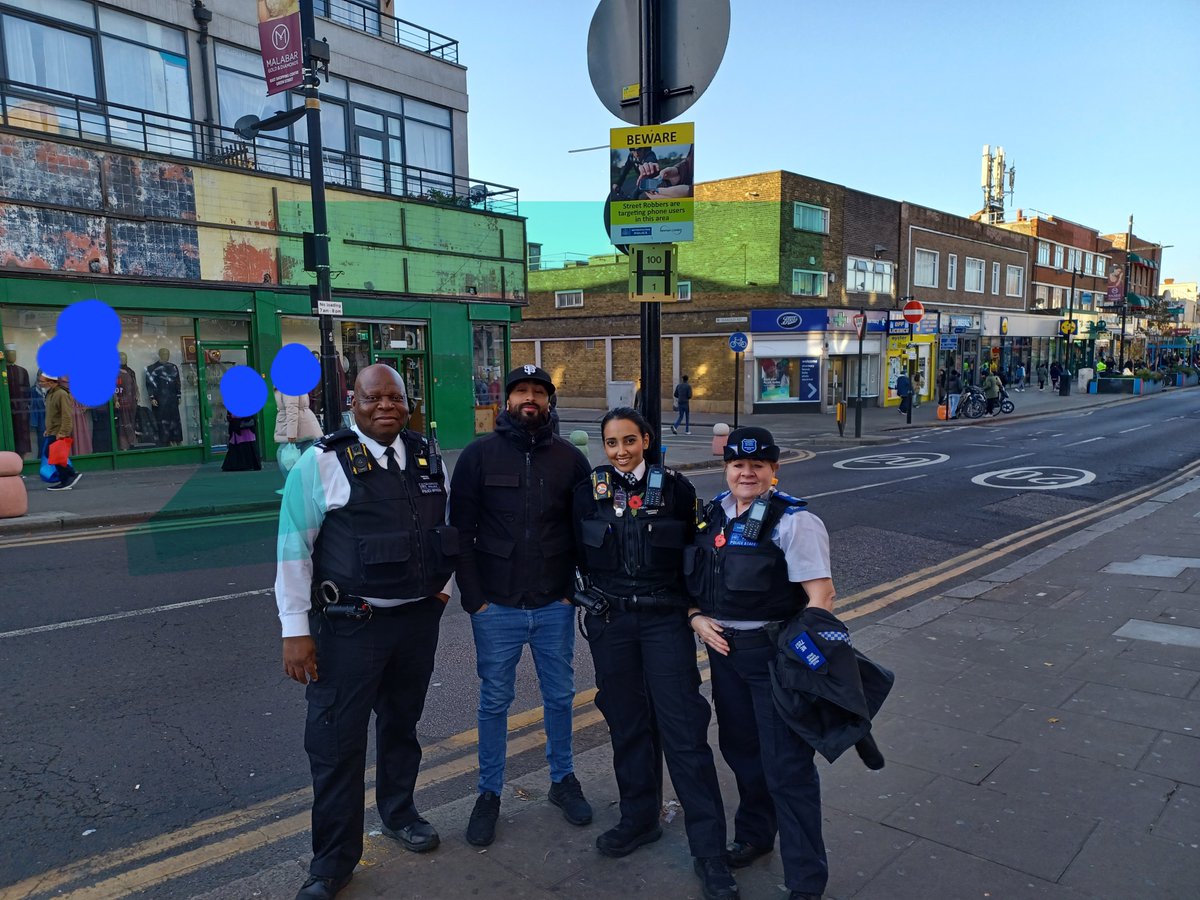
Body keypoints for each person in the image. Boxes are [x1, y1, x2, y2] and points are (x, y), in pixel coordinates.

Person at [275, 364, 455, 900]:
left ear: (407, 402)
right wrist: (294, 631)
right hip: (349, 628)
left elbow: (439, 529)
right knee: (336, 745)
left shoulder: (425, 455)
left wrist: (442, 590)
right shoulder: (321, 462)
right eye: (373, 398)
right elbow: (293, 549)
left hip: (414, 625)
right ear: (352, 402)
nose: (386, 407)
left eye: (395, 398)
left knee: (402, 727)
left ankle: (400, 814)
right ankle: (333, 861)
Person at [572, 407, 737, 900]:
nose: (620, 451)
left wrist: (695, 612)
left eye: (629, 440)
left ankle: (709, 852)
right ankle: (638, 818)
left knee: (684, 732)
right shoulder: (588, 491)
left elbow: (697, 557)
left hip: (665, 621)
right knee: (627, 725)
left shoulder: (678, 490)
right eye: (611, 443)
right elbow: (571, 553)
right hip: (611, 623)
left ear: (645, 439)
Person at [685, 427, 838, 900]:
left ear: (774, 470)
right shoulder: (714, 515)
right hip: (725, 656)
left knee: (787, 768)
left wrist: (799, 660)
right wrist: (695, 618)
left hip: (773, 657)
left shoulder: (794, 521)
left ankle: (806, 882)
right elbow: (696, 584)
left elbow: (821, 597)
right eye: (737, 465)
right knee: (742, 752)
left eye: (757, 465)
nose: (746, 472)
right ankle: (754, 835)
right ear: (726, 468)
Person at [449, 365, 594, 847]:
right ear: (506, 400)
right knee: (494, 701)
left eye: (538, 392)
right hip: (498, 606)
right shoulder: (478, 456)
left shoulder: (571, 460)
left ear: (549, 402)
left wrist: (575, 588)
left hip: (554, 602)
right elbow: (460, 534)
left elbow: (585, 532)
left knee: (559, 696)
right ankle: (488, 792)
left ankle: (562, 780)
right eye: (521, 392)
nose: (529, 399)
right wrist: (475, 599)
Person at [42, 373, 81, 491]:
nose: (40, 383)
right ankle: (68, 476)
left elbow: (66, 415)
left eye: (42, 381)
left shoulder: (61, 394)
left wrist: (63, 432)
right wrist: (48, 429)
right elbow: (52, 415)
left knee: (53, 454)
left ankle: (69, 476)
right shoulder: (51, 394)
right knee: (53, 454)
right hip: (53, 430)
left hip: (59, 431)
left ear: (50, 382)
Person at [274, 388, 324, 455]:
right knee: (307, 455)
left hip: (298, 427)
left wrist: (291, 434)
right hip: (302, 426)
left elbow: (292, 410)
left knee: (283, 456)